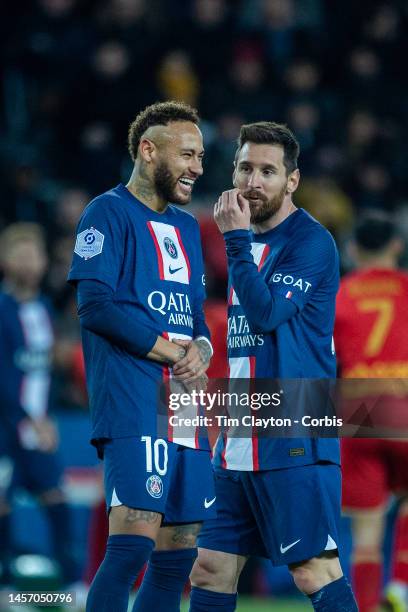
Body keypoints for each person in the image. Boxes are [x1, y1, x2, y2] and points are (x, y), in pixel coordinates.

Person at [189, 122, 358, 611]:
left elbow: (265, 314)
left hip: (295, 424)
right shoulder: (240, 243)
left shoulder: (310, 242)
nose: (253, 182)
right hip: (241, 427)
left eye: (268, 170)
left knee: (314, 570)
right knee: (211, 567)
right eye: (245, 168)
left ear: (293, 180)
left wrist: (235, 242)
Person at [68, 100, 215, 612]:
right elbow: (95, 305)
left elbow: (196, 314)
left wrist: (201, 349)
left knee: (179, 560)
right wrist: (171, 352)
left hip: (187, 405)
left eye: (201, 156)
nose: (198, 167)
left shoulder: (190, 227)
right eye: (188, 154)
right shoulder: (106, 212)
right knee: (132, 548)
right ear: (148, 150)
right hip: (133, 397)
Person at [335, 214, 408, 612]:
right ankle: (401, 584)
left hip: (357, 412)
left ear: (353, 250)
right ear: (396, 246)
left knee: (366, 531)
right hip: (403, 406)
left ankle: (365, 608)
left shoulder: (341, 294)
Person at [0, 223, 75, 585]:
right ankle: (6, 586)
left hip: (39, 426)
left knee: (56, 498)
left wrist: (46, 417)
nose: (30, 262)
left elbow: (45, 373)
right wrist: (30, 417)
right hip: (5, 426)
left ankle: (72, 584)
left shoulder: (45, 308)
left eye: (35, 254)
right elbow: (5, 376)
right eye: (21, 253)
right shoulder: (1, 309)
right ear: (5, 260)